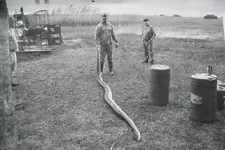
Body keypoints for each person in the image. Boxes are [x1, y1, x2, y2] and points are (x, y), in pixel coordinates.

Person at [9, 15, 19, 86]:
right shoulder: (4, 30)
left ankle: (11, 82)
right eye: (12, 21)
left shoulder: (11, 30)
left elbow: (14, 39)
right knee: (8, 67)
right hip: (8, 52)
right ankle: (8, 84)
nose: (14, 23)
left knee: (13, 66)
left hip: (13, 51)